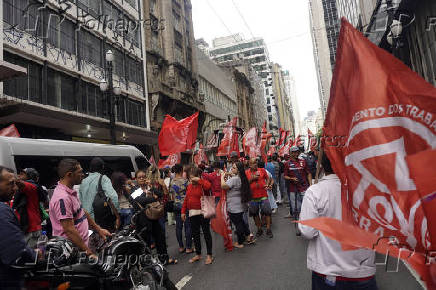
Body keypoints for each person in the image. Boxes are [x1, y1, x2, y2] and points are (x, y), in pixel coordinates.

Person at [299, 154, 378, 290]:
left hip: (328, 271)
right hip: (363, 271)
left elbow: (308, 232)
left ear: (322, 165)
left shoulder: (315, 192)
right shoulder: (369, 190)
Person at [49, 159, 111, 258]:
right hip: (74, 251)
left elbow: (82, 212)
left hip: (83, 245)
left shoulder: (70, 191)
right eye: (80, 172)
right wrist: (89, 253)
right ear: (69, 175)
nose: (83, 174)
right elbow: (69, 230)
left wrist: (99, 229)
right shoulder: (62, 198)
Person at [0, 166, 40, 289]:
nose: (15, 188)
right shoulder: (2, 211)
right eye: (11, 184)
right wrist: (35, 256)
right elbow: (18, 253)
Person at [129, 169, 177, 265]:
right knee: (145, 242)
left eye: (143, 177)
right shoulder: (135, 190)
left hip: (154, 217)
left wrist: (151, 187)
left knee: (160, 239)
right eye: (140, 177)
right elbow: (140, 200)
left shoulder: (149, 187)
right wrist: (152, 198)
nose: (142, 179)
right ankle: (148, 264)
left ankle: (164, 259)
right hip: (142, 220)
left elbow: (160, 194)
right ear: (136, 179)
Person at [181, 167, 214, 265]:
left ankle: (209, 255)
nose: (192, 180)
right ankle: (198, 254)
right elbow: (186, 199)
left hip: (203, 211)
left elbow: (209, 187)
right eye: (190, 178)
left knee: (206, 233)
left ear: (198, 176)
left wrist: (199, 180)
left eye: (193, 177)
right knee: (195, 234)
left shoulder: (202, 183)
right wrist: (183, 211)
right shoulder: (190, 186)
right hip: (192, 213)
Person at [79, 157, 120, 233]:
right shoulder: (103, 178)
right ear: (103, 167)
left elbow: (80, 202)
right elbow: (113, 197)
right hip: (102, 220)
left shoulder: (83, 181)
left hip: (87, 221)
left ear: (91, 167)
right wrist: (117, 216)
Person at [221, 162, 255, 248]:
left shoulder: (234, 179)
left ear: (238, 171)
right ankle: (248, 236)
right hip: (240, 205)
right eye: (232, 167)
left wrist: (222, 177)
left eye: (234, 168)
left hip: (234, 206)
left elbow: (223, 186)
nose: (231, 169)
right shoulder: (241, 178)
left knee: (238, 224)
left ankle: (240, 242)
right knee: (241, 222)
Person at [13, 168, 49, 248]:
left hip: (31, 231)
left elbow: (19, 182)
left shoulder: (31, 187)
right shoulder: (20, 191)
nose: (19, 176)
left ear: (30, 176)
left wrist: (9, 177)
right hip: (24, 230)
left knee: (30, 258)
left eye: (22, 174)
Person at [245, 158, 274, 238]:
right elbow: (245, 184)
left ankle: (268, 229)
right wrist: (252, 179)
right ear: (249, 165)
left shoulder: (262, 170)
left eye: (256, 162)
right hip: (253, 197)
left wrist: (267, 184)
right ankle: (259, 229)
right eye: (253, 163)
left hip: (263, 195)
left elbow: (268, 178)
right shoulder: (246, 172)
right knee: (255, 214)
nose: (255, 164)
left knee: (267, 212)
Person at [284, 146, 312, 222]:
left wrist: (311, 185)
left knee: (307, 206)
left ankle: (306, 221)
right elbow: (285, 176)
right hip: (293, 189)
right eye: (293, 152)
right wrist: (291, 179)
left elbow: (308, 173)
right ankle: (298, 222)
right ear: (290, 153)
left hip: (304, 188)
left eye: (297, 152)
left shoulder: (303, 161)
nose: (295, 154)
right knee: (295, 208)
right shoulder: (287, 163)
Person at [169, 164, 192, 254]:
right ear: (182, 170)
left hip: (176, 205)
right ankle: (189, 247)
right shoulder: (185, 181)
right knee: (187, 226)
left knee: (178, 227)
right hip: (185, 205)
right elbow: (190, 193)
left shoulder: (171, 182)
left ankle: (181, 247)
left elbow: (171, 194)